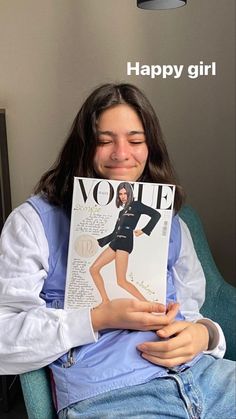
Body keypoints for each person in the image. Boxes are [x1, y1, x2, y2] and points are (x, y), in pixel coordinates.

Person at [0, 83, 235, 419]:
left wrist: (206, 335)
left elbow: (191, 310)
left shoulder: (174, 223)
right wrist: (98, 317)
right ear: (82, 146)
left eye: (136, 140)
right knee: (101, 273)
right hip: (112, 394)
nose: (121, 154)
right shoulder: (33, 222)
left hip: (206, 378)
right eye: (104, 140)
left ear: (150, 147)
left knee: (117, 277)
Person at [90, 181, 161, 302]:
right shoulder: (121, 212)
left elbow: (156, 215)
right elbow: (114, 233)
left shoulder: (137, 205)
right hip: (116, 242)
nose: (123, 196)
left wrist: (144, 230)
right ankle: (105, 301)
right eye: (120, 194)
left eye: (125, 193)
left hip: (125, 242)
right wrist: (97, 241)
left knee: (121, 281)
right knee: (93, 269)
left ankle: (146, 303)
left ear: (130, 193)